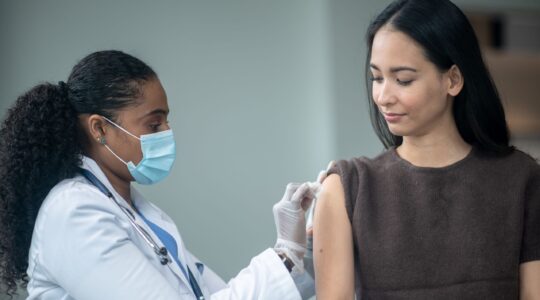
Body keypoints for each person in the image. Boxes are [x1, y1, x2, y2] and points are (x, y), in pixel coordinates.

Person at [0, 50, 318, 299]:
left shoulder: (138, 214)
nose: (167, 133)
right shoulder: (73, 214)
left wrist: (307, 251)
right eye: (153, 125)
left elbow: (219, 296)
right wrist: (286, 255)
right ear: (99, 129)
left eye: (166, 122)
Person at [312, 0, 540, 299]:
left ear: (453, 80)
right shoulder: (345, 187)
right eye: (377, 78)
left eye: (403, 80)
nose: (383, 96)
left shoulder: (521, 179)